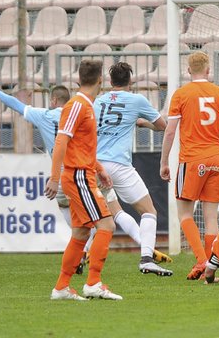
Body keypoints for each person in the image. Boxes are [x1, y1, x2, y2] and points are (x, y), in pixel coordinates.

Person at [0, 73, 172, 274]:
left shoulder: (45, 116)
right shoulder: (84, 112)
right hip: (84, 173)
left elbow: (16, 105)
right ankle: (138, 254)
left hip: (62, 181)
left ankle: (78, 265)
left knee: (84, 227)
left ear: (54, 100)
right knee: (111, 217)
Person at [46, 59, 122, 300]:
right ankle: (93, 282)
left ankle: (61, 287)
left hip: (85, 172)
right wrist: (54, 178)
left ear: (79, 78)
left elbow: (80, 145)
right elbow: (61, 141)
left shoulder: (85, 105)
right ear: (101, 80)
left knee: (80, 233)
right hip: (78, 175)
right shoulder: (77, 105)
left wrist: (98, 167)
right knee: (107, 225)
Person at [160, 51, 219, 280]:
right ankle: (210, 270)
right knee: (211, 217)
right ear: (208, 70)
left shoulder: (181, 94)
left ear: (188, 71)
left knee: (184, 212)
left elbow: (170, 130)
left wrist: (164, 161)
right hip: (217, 158)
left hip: (192, 160)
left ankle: (202, 261)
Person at [92, 62, 172, 276]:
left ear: (110, 82)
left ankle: (84, 255)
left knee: (112, 212)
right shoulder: (137, 100)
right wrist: (143, 123)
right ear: (130, 81)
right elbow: (163, 125)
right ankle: (146, 258)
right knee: (148, 211)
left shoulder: (98, 101)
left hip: (95, 166)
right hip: (119, 165)